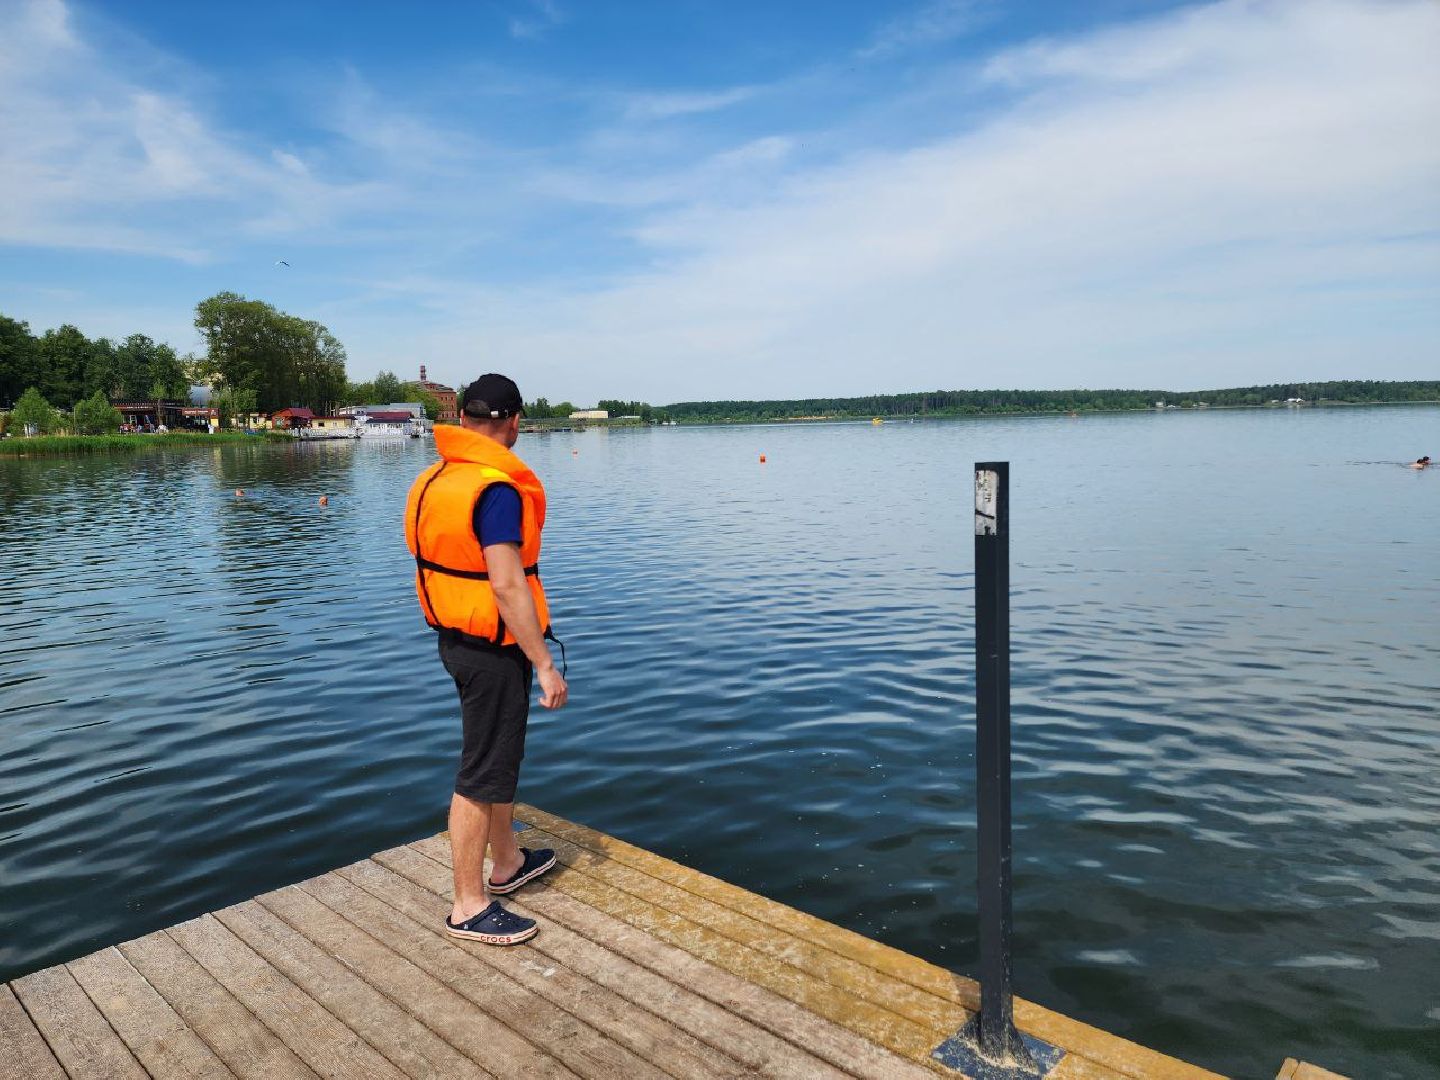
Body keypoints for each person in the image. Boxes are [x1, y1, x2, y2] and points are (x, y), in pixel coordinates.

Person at [405, 373, 568, 946]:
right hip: (494, 648)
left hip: (456, 640)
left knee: (498, 759)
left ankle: (508, 862)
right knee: (481, 772)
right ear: (514, 421)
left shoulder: (436, 477)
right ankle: (468, 905)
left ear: (465, 418)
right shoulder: (495, 489)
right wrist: (543, 663)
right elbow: (505, 584)